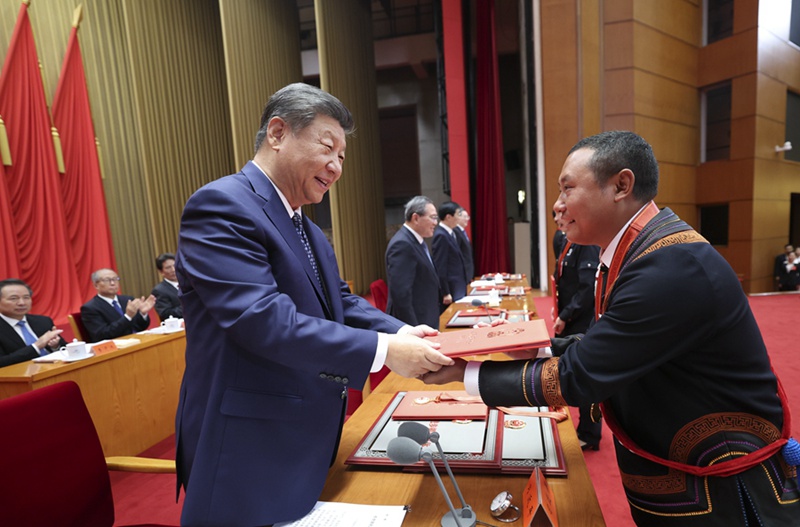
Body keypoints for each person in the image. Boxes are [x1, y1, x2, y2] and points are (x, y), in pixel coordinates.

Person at [423, 131, 799, 526]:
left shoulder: (672, 266)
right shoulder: (646, 250)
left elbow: (582, 376)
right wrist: (537, 346)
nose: (557, 204)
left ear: (621, 185)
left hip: (725, 495)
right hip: (685, 476)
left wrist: (463, 372)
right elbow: (619, 344)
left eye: (568, 188)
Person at [174, 83, 453, 527]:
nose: (336, 167)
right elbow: (264, 321)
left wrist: (398, 331)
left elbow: (337, 300)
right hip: (249, 442)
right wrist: (384, 352)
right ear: (278, 133)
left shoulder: (304, 223)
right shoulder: (223, 205)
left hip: (303, 432)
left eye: (343, 156)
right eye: (328, 148)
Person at [551, 222, 602, 451]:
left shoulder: (587, 242)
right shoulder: (566, 240)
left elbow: (585, 288)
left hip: (580, 319)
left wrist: (566, 314)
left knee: (585, 374)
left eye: (563, 212)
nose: (558, 216)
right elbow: (563, 280)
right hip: (569, 316)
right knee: (570, 368)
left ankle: (590, 433)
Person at [385, 196, 442, 328]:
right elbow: (401, 295)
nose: (435, 223)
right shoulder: (402, 244)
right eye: (433, 217)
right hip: (416, 324)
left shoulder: (416, 241)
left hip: (426, 318)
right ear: (416, 218)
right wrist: (413, 330)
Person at [0, 279, 66, 367]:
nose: (22, 303)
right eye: (14, 298)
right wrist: (36, 346)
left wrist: (55, 346)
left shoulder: (43, 321)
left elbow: (65, 348)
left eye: (26, 297)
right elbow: (2, 362)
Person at [80, 268, 155, 342]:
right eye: (107, 280)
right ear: (96, 285)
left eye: (115, 279)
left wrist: (143, 314)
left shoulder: (127, 300)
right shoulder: (90, 308)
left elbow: (139, 327)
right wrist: (128, 316)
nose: (113, 283)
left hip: (137, 341)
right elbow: (102, 335)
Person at [432, 201, 470, 306]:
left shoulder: (450, 233)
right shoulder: (441, 235)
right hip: (451, 288)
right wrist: (445, 292)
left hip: (458, 286)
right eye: (458, 214)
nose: (460, 218)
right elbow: (440, 266)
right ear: (449, 217)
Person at [151, 252, 183, 320]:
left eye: (174, 265)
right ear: (161, 272)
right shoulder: (159, 290)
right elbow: (166, 313)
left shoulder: (188, 283)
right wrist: (190, 307)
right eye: (168, 268)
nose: (173, 270)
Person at [454, 206, 474, 281]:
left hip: (468, 272)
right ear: (458, 217)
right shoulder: (456, 232)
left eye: (467, 217)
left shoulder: (462, 231)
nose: (467, 219)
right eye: (464, 217)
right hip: (463, 273)